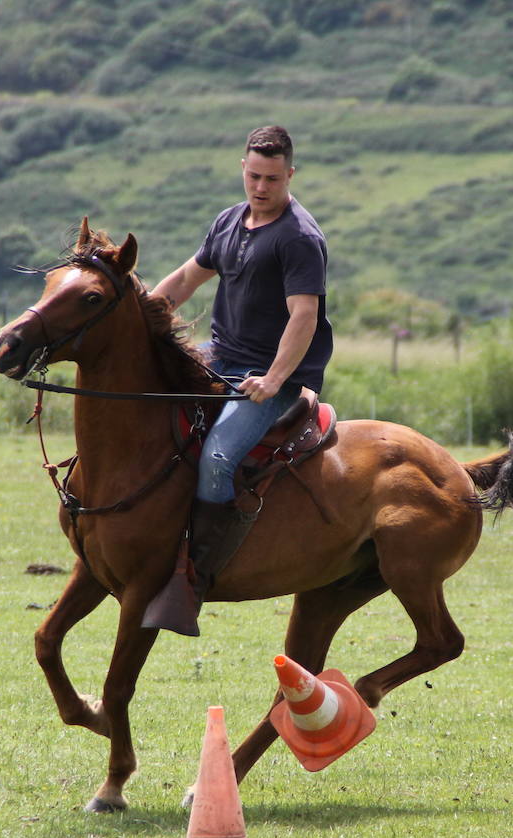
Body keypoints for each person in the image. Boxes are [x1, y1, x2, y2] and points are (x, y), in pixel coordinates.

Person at [141, 125, 332, 637]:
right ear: (242, 170)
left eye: (272, 178)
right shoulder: (228, 222)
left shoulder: (299, 238)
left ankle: (194, 577)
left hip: (271, 379)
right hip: (218, 358)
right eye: (253, 175)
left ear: (290, 174)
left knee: (219, 457)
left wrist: (272, 380)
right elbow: (184, 280)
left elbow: (303, 317)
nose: (261, 187)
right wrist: (144, 322)